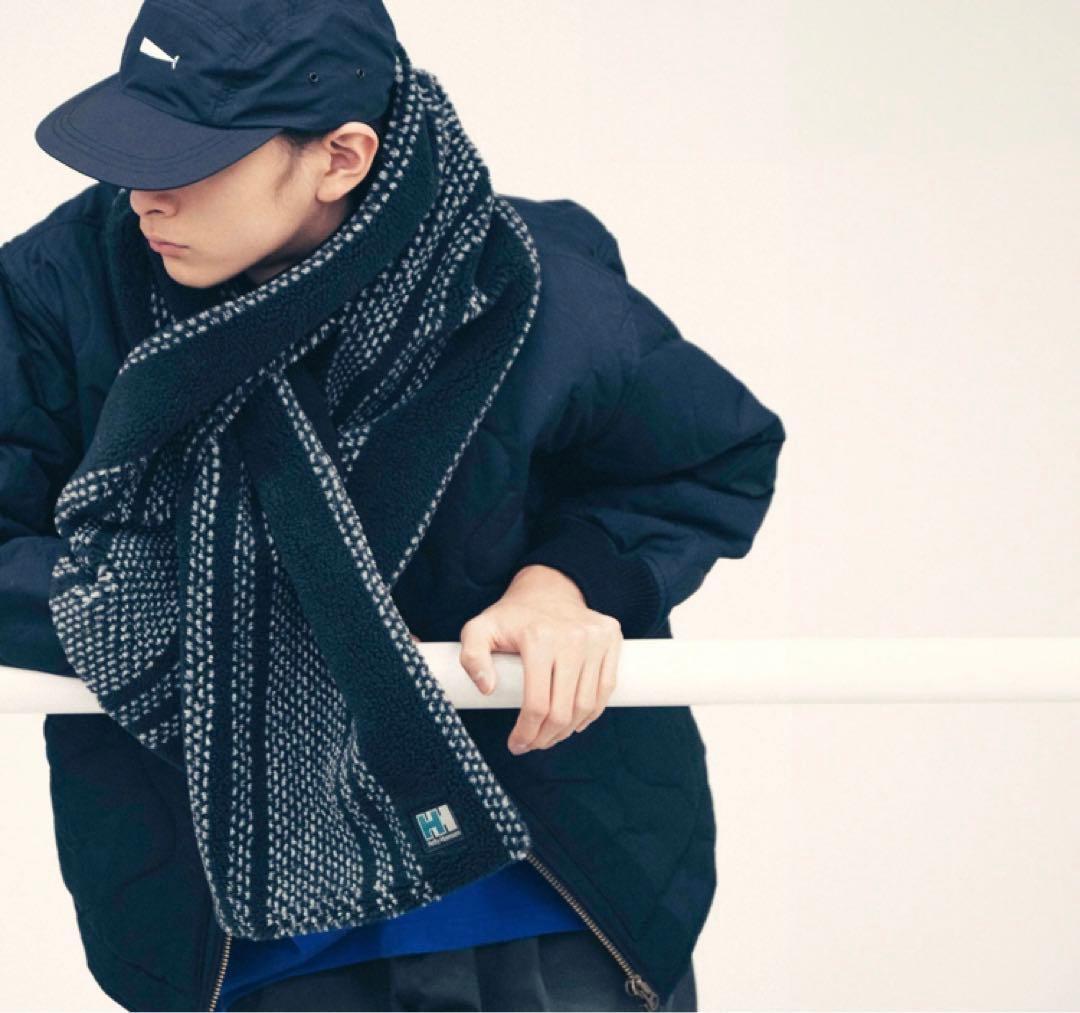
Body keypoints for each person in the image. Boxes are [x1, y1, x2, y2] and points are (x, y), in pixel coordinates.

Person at [1, 1, 786, 1010]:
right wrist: (222, 616)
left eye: (190, 159)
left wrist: (566, 585)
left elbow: (706, 455)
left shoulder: (526, 280)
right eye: (131, 147)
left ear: (340, 156)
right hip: (245, 929)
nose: (144, 194)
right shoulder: (60, 291)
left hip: (553, 887)